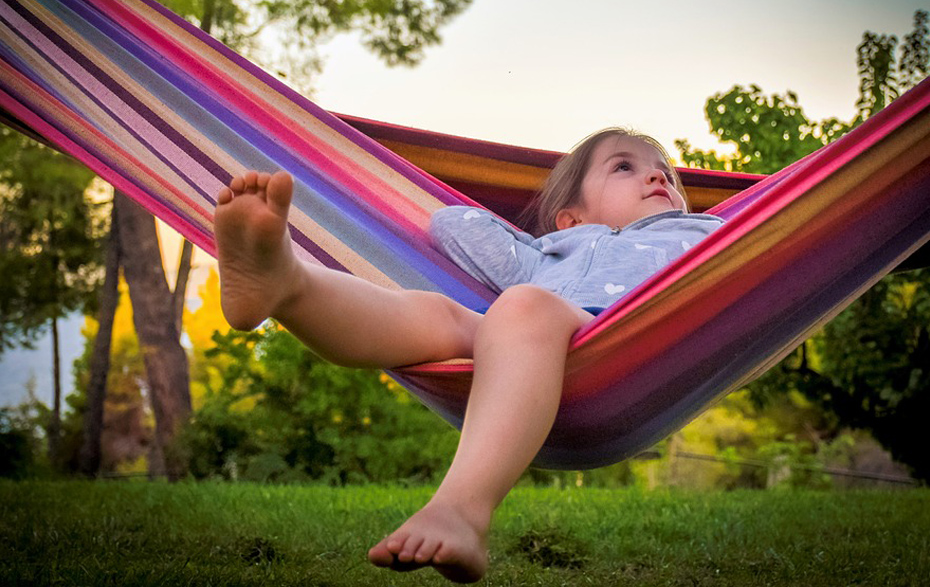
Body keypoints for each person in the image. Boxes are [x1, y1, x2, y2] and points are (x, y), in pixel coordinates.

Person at [213, 128, 724, 583]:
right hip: (524, 349)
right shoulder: (547, 254)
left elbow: (749, 278)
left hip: (630, 348)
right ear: (571, 216)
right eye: (624, 166)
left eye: (666, 173)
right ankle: (287, 284)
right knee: (446, 315)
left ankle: (461, 509)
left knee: (522, 305)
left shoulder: (703, 234)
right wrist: (551, 239)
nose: (657, 176)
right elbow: (452, 225)